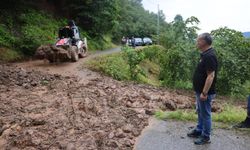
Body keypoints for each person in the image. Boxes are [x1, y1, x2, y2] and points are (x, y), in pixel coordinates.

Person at [187, 33, 218, 145]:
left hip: (205, 93)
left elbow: (211, 76)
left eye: (198, 40)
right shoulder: (205, 54)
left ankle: (206, 137)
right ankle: (199, 130)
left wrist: (204, 93)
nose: (197, 42)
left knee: (205, 114)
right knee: (200, 112)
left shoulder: (210, 56)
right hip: (200, 91)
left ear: (204, 42)